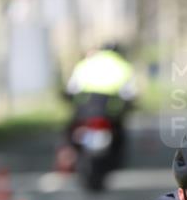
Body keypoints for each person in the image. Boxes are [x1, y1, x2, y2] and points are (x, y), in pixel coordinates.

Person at [58, 43, 136, 171]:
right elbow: (129, 93)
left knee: (69, 132)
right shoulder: (123, 66)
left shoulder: (85, 63)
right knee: (119, 134)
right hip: (110, 111)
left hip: (85, 109)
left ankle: (66, 157)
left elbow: (71, 88)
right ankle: (117, 162)